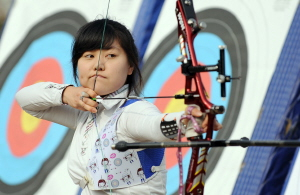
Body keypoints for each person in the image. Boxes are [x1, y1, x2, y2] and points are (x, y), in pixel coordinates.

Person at [15, 19, 222, 195]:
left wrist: (190, 121)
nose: (98, 64)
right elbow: (27, 101)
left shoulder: (133, 111)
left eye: (111, 56)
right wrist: (65, 93)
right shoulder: (86, 112)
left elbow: (155, 125)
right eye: (88, 56)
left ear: (131, 66)